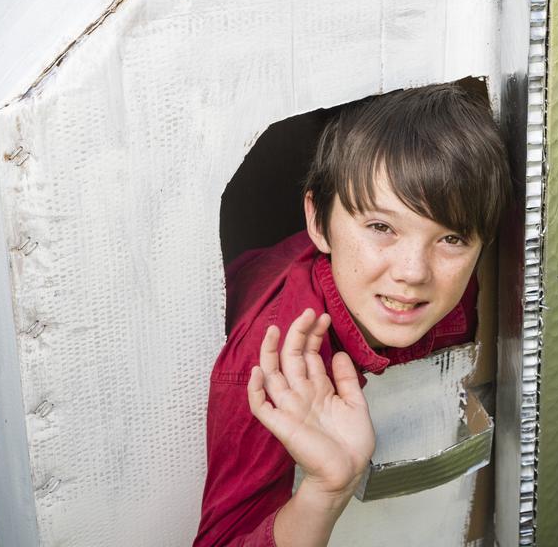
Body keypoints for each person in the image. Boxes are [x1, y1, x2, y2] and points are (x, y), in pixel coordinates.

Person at [195, 83, 511, 547]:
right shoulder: (273, 357)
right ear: (319, 222)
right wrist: (328, 488)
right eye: (381, 227)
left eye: (451, 239)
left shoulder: (456, 287)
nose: (412, 273)